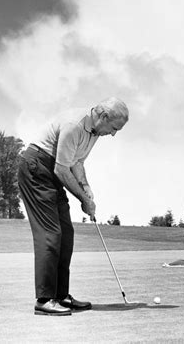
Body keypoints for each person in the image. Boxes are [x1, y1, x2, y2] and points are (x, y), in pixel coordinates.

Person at [18, 97, 129, 315]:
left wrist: (85, 186)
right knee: (50, 234)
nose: (114, 134)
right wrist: (84, 200)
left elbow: (76, 162)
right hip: (37, 168)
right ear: (104, 116)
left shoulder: (95, 131)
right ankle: (44, 300)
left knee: (66, 234)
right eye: (114, 128)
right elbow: (61, 170)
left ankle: (60, 296)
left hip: (53, 169)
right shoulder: (74, 125)